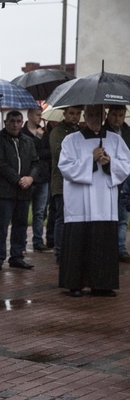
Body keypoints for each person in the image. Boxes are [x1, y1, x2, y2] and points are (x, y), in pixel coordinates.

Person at [58, 104, 130, 297]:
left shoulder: (115, 140)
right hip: (79, 200)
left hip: (104, 201)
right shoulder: (71, 140)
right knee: (78, 240)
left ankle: (102, 284)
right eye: (90, 115)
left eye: (98, 115)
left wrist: (109, 163)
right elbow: (65, 167)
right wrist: (91, 159)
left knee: (102, 241)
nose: (94, 119)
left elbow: (126, 165)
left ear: (104, 115)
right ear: (85, 116)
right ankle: (75, 284)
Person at [0, 110, 40, 271]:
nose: (15, 124)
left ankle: (17, 256)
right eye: (12, 121)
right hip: (5, 191)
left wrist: (31, 178)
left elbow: (36, 162)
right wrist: (18, 179)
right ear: (5, 122)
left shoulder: (28, 141)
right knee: (1, 226)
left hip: (24, 191)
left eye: (18, 121)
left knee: (21, 225)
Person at [50, 105, 83, 262]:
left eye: (77, 113)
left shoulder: (81, 131)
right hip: (61, 182)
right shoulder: (57, 132)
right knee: (62, 217)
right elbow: (58, 154)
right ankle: (60, 252)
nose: (74, 116)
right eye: (71, 113)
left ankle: (73, 250)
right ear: (64, 114)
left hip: (77, 180)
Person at [21, 108, 52, 252]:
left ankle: (38, 240)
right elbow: (27, 153)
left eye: (41, 115)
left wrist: (40, 140)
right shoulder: (22, 132)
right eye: (38, 115)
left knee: (40, 212)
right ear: (29, 115)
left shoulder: (45, 132)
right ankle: (21, 242)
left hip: (43, 177)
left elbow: (48, 152)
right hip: (27, 177)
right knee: (23, 210)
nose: (40, 118)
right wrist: (37, 140)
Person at [104, 105, 130, 262]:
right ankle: (107, 247)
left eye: (121, 115)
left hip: (126, 180)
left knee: (122, 216)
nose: (117, 118)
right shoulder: (103, 132)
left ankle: (120, 247)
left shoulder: (127, 132)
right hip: (109, 177)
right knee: (107, 216)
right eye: (114, 115)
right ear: (108, 114)